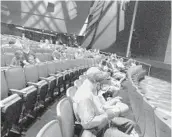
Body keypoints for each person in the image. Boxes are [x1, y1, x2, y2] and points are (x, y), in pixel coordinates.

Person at [74, 72, 135, 137]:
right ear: (97, 84)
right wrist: (109, 114)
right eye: (103, 86)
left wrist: (110, 106)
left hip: (102, 124)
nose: (102, 89)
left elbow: (98, 108)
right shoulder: (85, 96)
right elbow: (87, 124)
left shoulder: (90, 90)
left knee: (130, 124)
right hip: (97, 131)